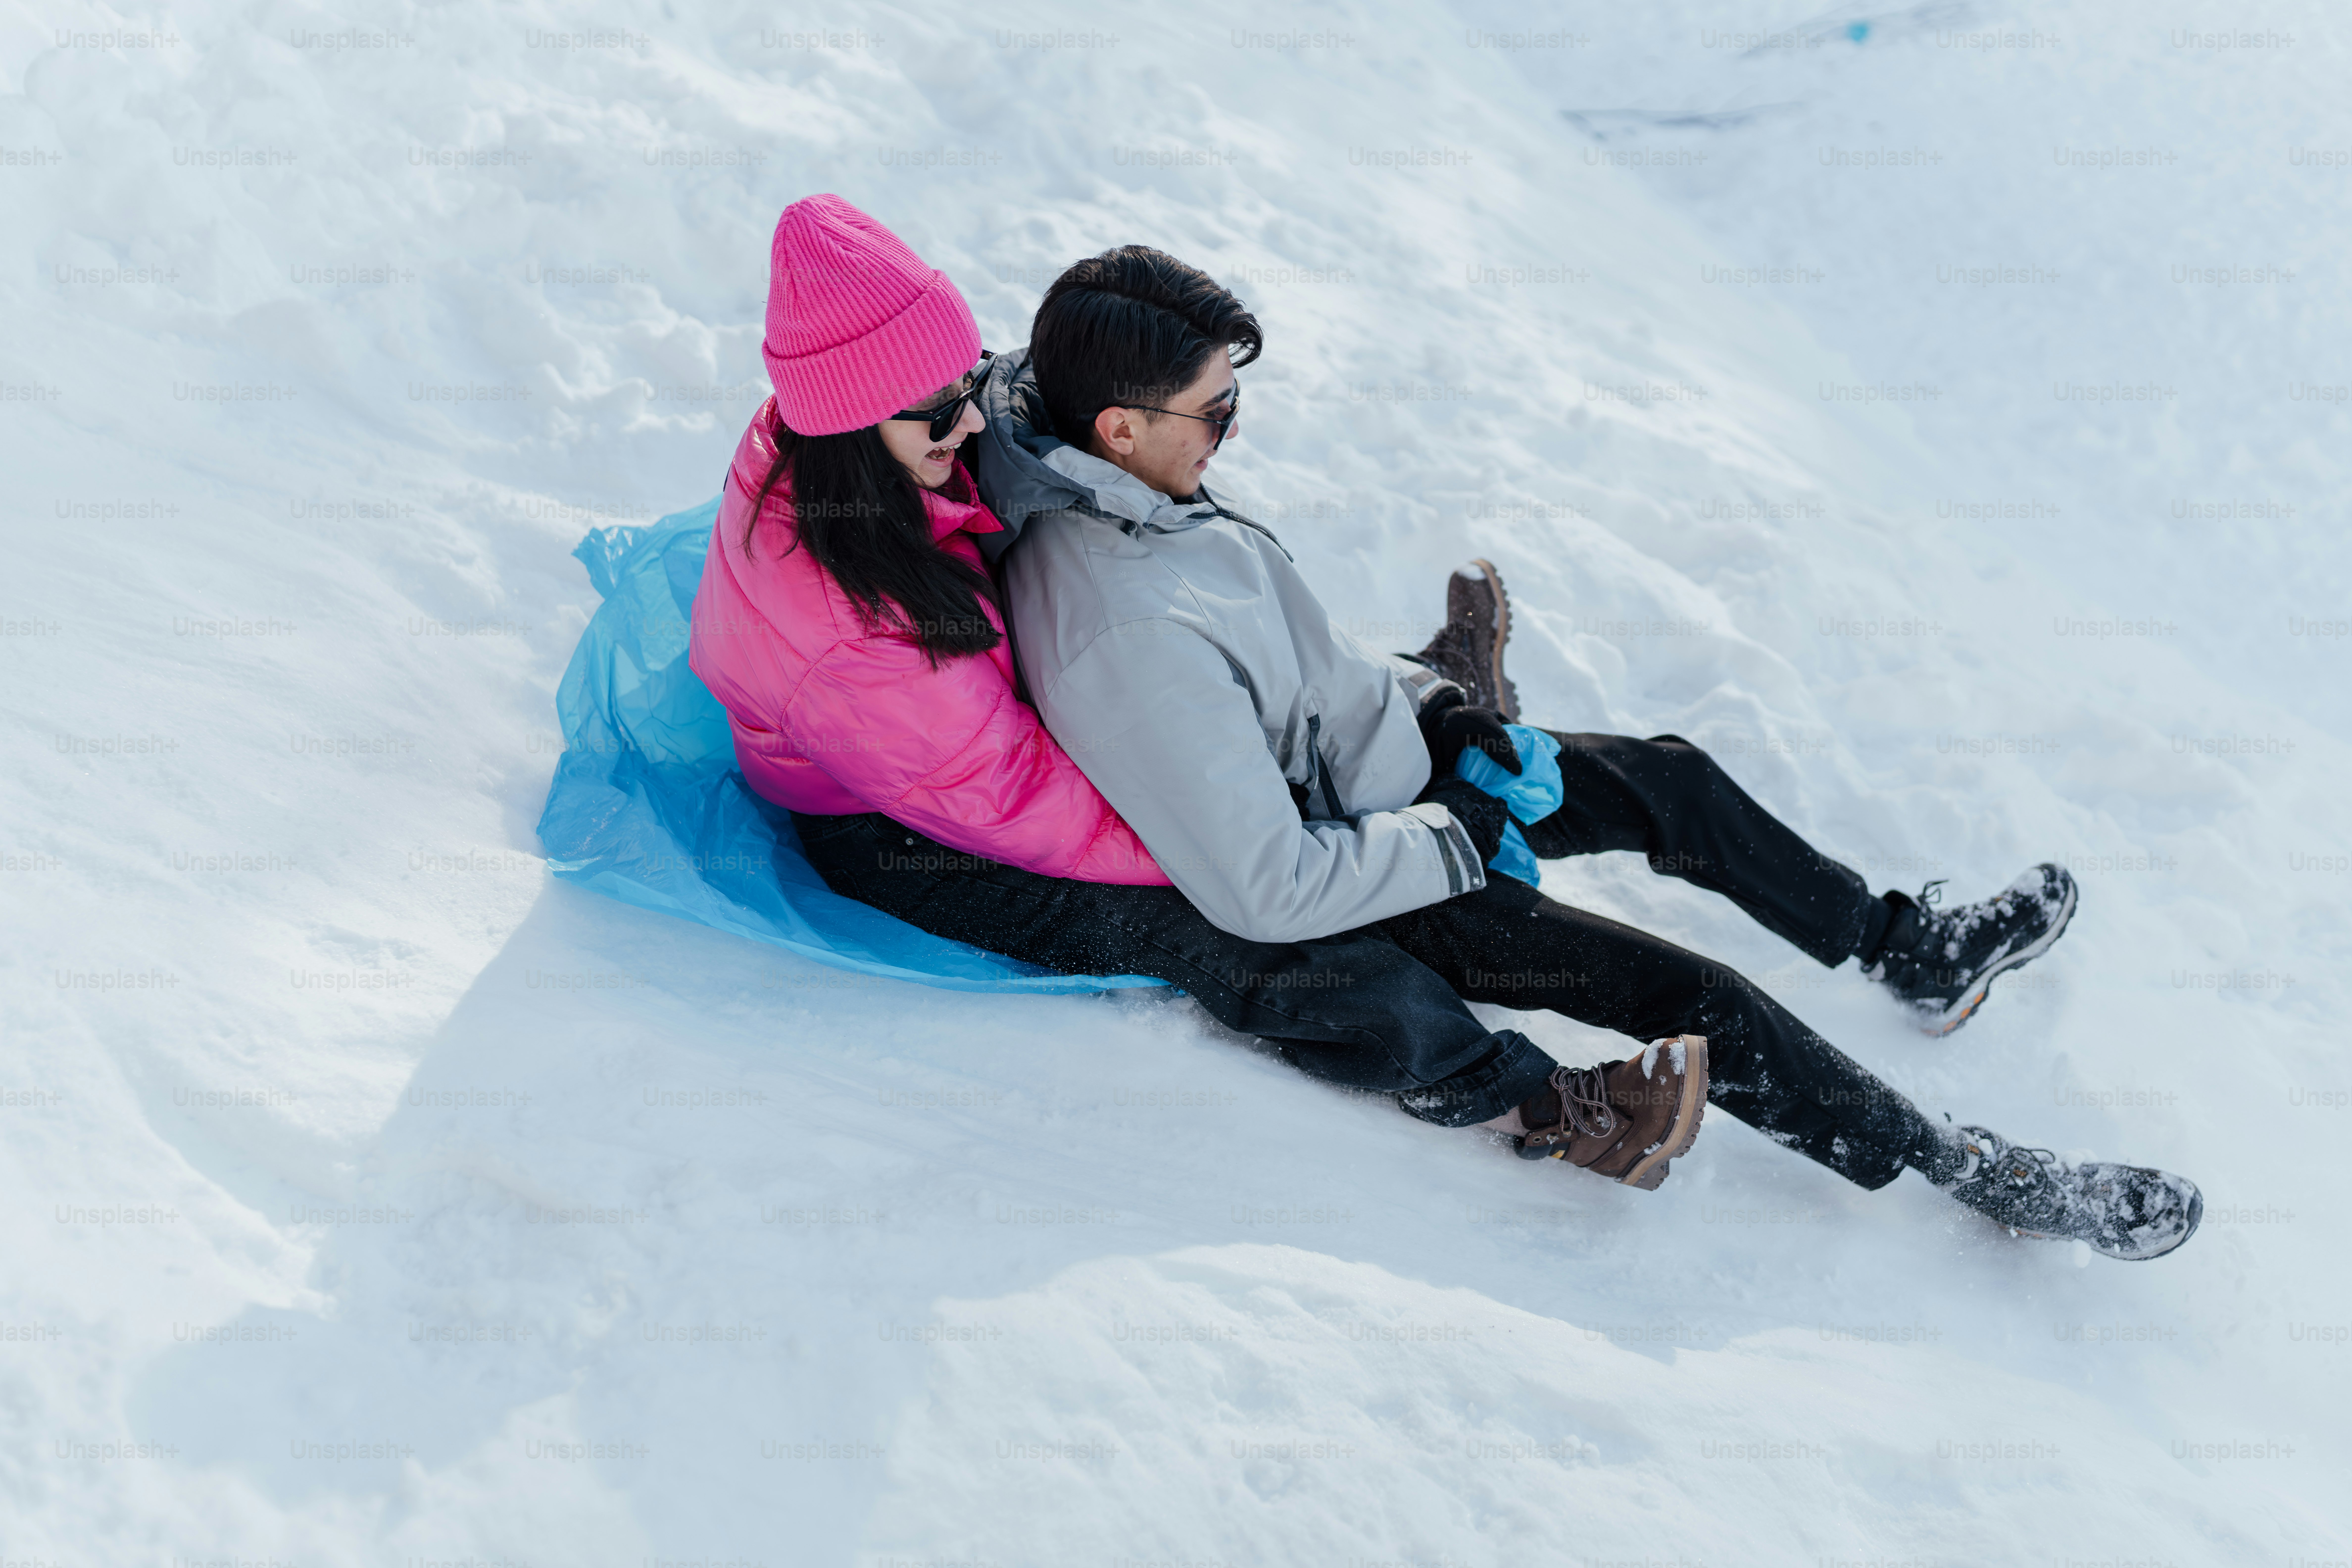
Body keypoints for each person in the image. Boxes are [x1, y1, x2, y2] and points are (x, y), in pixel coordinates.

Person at [951, 244, 2196, 1261]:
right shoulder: (1119, 629)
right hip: (1384, 880)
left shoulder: (1129, 485)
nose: (1234, 426)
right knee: (1696, 999)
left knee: (1670, 779)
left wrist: (1442, 718)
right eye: (1218, 409)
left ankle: (1906, 951)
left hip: (1401, 775)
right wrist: (1459, 838)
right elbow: (1264, 886)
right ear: (1119, 426)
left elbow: (1297, 670)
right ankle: (1968, 1168)